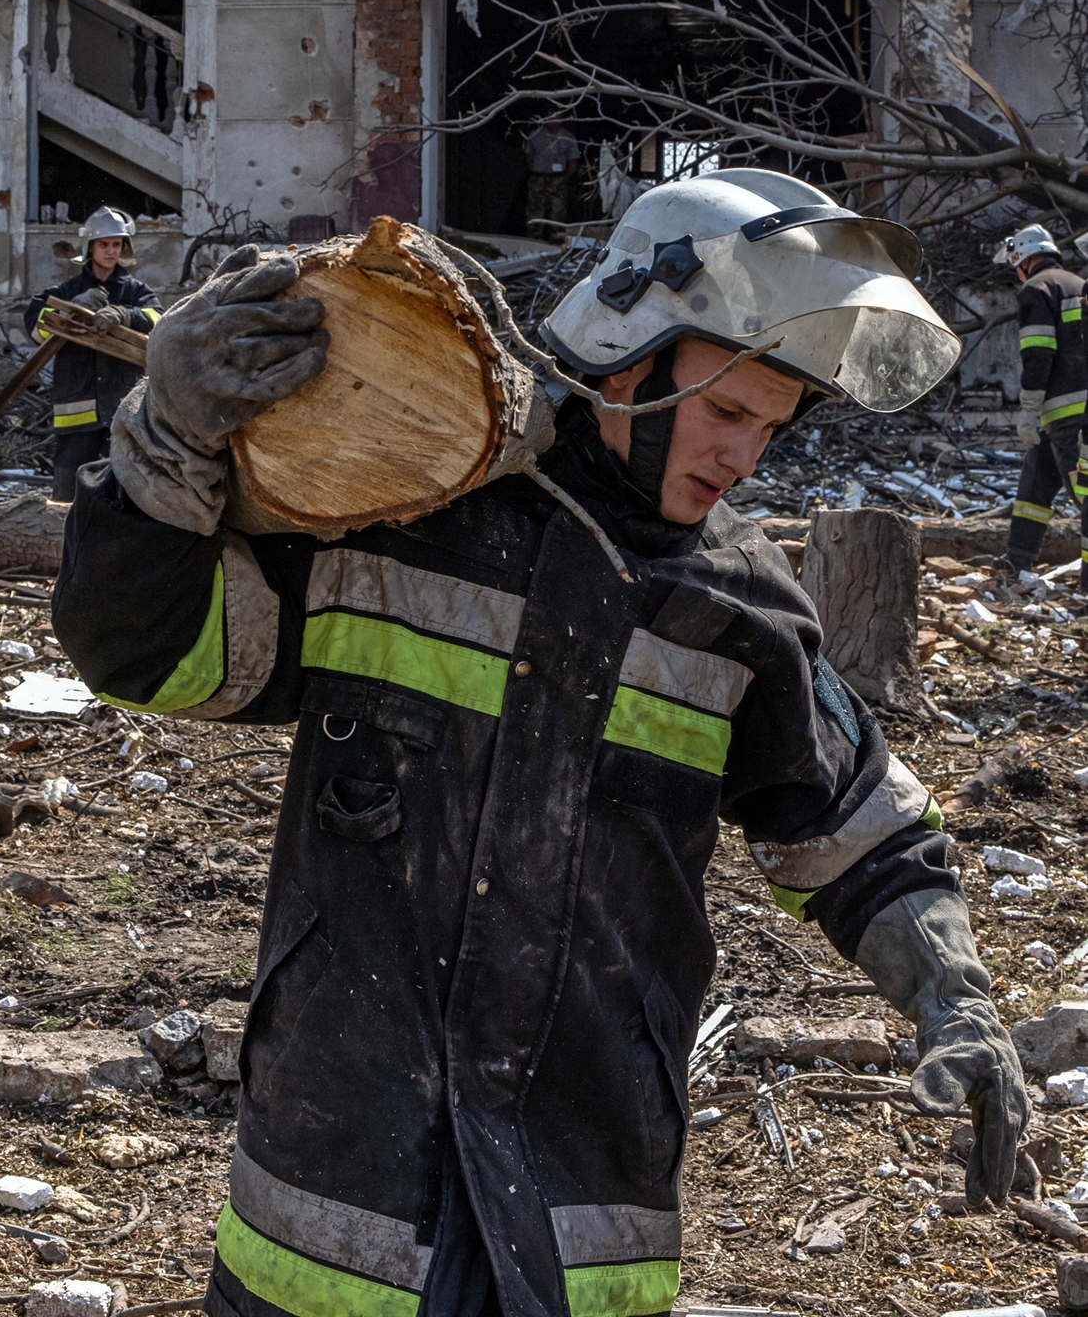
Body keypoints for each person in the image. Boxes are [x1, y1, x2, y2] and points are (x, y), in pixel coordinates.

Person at [53, 170, 1027, 1317]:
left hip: (584, 1207)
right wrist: (163, 448)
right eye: (726, 409)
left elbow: (859, 833)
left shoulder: (741, 610)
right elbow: (149, 655)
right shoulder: (406, 511)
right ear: (627, 359)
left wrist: (953, 997)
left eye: (770, 424)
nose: (744, 457)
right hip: (340, 1188)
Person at [25, 206, 161, 504]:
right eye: (104, 244)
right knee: (67, 500)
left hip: (123, 416)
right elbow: (36, 330)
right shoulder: (66, 290)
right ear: (89, 247)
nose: (111, 251)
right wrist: (70, 307)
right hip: (76, 420)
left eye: (116, 244)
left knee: (126, 503)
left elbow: (161, 321)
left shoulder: (137, 292)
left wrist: (127, 314)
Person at [995, 223, 1086, 575]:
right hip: (1068, 414)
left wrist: (1029, 408)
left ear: (1022, 261)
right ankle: (1017, 561)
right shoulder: (1079, 285)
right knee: (1035, 483)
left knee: (1085, 494)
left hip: (1067, 413)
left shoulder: (1036, 289)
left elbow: (1039, 352)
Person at [525, 113, 579, 230]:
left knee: (557, 213)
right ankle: (533, 241)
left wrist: (562, 178)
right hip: (538, 178)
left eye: (557, 117)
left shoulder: (568, 137)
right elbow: (528, 158)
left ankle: (556, 242)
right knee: (535, 212)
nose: (553, 121)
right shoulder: (535, 135)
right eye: (550, 117)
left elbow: (573, 163)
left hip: (559, 179)